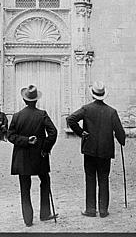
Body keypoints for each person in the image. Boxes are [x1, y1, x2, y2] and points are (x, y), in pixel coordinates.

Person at [66, 81, 126, 219]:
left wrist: (81, 133)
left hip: (90, 149)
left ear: (93, 95)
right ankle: (103, 210)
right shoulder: (112, 111)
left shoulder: (86, 109)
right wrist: (121, 140)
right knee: (104, 178)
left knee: (90, 177)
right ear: (103, 95)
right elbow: (119, 132)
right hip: (106, 151)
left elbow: (71, 119)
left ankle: (91, 209)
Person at [8, 84, 58, 227]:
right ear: (36, 101)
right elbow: (53, 132)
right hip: (40, 156)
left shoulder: (17, 116)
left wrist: (25, 140)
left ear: (24, 100)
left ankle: (28, 220)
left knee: (25, 187)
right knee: (45, 181)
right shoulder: (42, 114)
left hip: (22, 157)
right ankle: (45, 213)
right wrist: (45, 148)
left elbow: (10, 136)